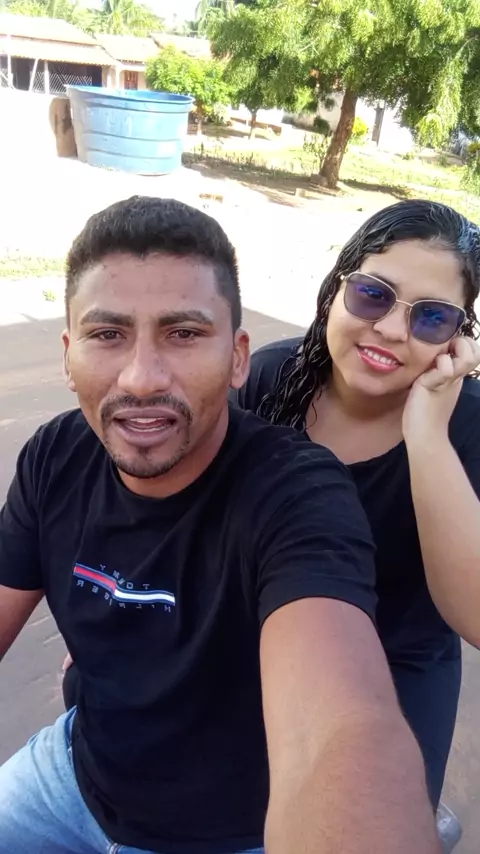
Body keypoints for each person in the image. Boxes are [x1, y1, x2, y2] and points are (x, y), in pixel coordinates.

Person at [0, 196, 439, 854]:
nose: (141, 378)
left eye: (183, 334)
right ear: (68, 355)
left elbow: (340, 729)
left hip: (229, 833)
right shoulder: (55, 456)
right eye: (107, 334)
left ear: (238, 359)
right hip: (70, 777)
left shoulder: (298, 493)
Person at [232, 199, 480, 812]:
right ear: (335, 291)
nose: (392, 330)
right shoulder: (270, 379)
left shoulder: (468, 426)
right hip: (258, 633)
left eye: (431, 317)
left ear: (458, 337)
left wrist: (427, 435)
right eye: (373, 295)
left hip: (394, 666)